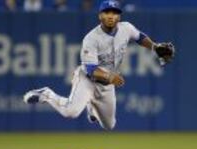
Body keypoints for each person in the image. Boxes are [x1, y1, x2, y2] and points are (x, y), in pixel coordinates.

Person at [23, 0, 175, 130]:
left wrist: (154, 47)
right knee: (71, 112)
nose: (110, 16)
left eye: (114, 12)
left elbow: (140, 37)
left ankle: (91, 107)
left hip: (107, 84)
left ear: (119, 16)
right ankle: (46, 94)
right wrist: (110, 76)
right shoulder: (91, 38)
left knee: (109, 125)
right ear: (100, 15)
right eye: (107, 12)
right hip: (88, 79)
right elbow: (91, 70)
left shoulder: (126, 28)